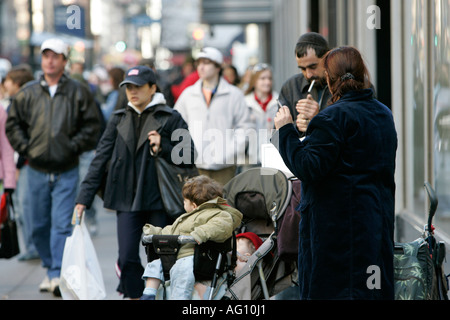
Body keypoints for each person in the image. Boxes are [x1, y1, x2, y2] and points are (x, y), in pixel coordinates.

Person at [273, 46, 397, 300]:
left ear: (329, 80)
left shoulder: (332, 117)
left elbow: (308, 167)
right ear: (362, 74)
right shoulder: (383, 114)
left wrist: (284, 131)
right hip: (374, 224)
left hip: (336, 235)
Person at [75, 65, 197, 299]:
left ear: (152, 88)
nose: (133, 92)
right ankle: (134, 295)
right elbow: (100, 159)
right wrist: (83, 199)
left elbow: (190, 154)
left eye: (138, 87)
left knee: (162, 257)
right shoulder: (119, 118)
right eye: (129, 87)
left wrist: (164, 146)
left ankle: (160, 295)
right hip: (126, 199)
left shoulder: (170, 117)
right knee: (127, 257)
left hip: (160, 199)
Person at [5, 38, 102, 296]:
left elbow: (93, 125)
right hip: (35, 170)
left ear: (64, 60)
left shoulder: (78, 91)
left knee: (61, 223)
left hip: (66, 170)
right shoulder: (28, 93)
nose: (50, 60)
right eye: (46, 55)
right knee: (36, 225)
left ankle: (56, 273)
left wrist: (71, 146)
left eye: (55, 56)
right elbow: (12, 125)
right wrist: (27, 148)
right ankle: (50, 265)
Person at [140, 175, 243, 300]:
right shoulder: (185, 218)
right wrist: (154, 233)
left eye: (184, 201)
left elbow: (220, 227)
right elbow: (172, 231)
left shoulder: (219, 214)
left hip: (197, 256)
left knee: (182, 271)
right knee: (156, 262)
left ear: (194, 205)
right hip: (176, 254)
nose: (183, 203)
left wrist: (200, 234)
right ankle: (149, 293)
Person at [174, 47, 253, 186]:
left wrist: (230, 152)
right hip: (195, 164)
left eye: (207, 63)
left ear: (218, 67)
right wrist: (186, 152)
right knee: (196, 206)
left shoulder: (234, 94)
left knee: (223, 204)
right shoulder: (188, 94)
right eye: (199, 63)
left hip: (225, 166)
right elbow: (177, 124)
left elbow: (245, 127)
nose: (201, 67)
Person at [2, 66, 37, 261]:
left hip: (25, 164)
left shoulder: (22, 103)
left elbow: (25, 136)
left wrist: (18, 164)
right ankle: (32, 246)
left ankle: (33, 247)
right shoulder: (16, 102)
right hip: (21, 163)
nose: (5, 84)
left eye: (7, 80)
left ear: (17, 83)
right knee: (23, 205)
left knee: (25, 205)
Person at [278, 32, 332, 135]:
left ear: (327, 58)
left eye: (313, 67)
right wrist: (297, 126)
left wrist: (319, 119)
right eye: (303, 69)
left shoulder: (343, 85)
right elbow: (276, 137)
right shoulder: (291, 87)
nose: (308, 75)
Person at [242, 63, 279, 170]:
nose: (267, 82)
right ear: (254, 81)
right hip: (249, 159)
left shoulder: (278, 101)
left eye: (269, 78)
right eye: (262, 78)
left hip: (272, 158)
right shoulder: (244, 102)